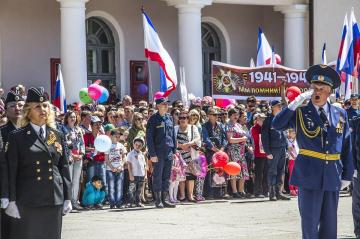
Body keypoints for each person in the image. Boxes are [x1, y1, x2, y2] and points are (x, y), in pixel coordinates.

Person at [272, 64, 353, 239]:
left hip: (332, 173)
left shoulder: (340, 113)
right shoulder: (300, 111)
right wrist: (293, 104)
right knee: (310, 223)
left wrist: (347, 173)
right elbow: (277, 125)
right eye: (314, 87)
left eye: (322, 88)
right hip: (309, 174)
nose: (317, 91)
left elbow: (346, 145)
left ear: (330, 91)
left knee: (330, 225)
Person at [6, 87, 72, 239]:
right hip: (28, 200)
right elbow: (11, 170)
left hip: (53, 198)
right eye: (37, 106)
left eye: (45, 106)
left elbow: (63, 167)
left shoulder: (57, 135)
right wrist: (11, 200)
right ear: (28, 111)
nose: (42, 109)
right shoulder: (17, 137)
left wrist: (68, 196)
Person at [0, 90, 25, 239]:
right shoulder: (2, 133)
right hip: (8, 190)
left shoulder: (32, 132)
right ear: (6, 111)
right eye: (12, 105)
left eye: (20, 105)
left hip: (27, 189)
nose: (17, 108)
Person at [146, 96, 176, 208]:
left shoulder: (169, 118)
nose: (166, 106)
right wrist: (152, 154)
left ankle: (165, 199)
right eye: (163, 104)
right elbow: (149, 138)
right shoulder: (153, 119)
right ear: (158, 106)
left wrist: (174, 150)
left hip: (168, 151)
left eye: (167, 104)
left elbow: (172, 135)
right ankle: (158, 200)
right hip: (158, 152)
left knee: (166, 176)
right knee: (157, 176)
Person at [261, 100, 290, 201]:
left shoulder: (281, 119)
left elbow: (284, 134)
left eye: (280, 105)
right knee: (272, 171)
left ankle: (279, 192)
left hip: (282, 148)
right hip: (273, 149)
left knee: (281, 171)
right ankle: (272, 193)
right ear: (273, 107)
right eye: (278, 106)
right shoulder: (268, 121)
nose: (280, 107)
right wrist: (267, 152)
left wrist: (286, 147)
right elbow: (264, 137)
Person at [175, 110, 202, 202]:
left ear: (188, 119)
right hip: (179, 156)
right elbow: (171, 140)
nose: (183, 119)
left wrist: (188, 144)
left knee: (191, 176)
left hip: (191, 155)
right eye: (181, 118)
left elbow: (198, 138)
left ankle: (190, 195)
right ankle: (182, 195)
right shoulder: (175, 128)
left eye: (185, 118)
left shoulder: (193, 127)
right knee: (181, 175)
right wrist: (180, 146)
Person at [62, 110, 85, 211]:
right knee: (69, 180)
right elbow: (66, 144)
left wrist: (81, 154)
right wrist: (72, 154)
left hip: (78, 157)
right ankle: (68, 201)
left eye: (74, 117)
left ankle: (75, 201)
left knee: (76, 180)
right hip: (69, 157)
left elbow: (82, 143)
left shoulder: (78, 130)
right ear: (67, 118)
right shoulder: (64, 129)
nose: (73, 119)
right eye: (70, 117)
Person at [202, 107, 227, 199]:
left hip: (220, 152)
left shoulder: (221, 125)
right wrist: (213, 148)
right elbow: (206, 138)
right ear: (208, 115)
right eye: (214, 114)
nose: (216, 116)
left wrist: (223, 148)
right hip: (210, 151)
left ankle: (219, 193)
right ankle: (209, 193)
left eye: (217, 114)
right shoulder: (205, 125)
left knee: (220, 171)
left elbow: (224, 137)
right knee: (210, 171)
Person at [225, 108, 249, 198]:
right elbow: (230, 140)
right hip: (233, 150)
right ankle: (235, 191)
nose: (236, 116)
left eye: (237, 115)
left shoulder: (239, 125)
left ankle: (241, 190)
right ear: (230, 116)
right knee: (234, 170)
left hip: (242, 151)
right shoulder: (229, 125)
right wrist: (242, 139)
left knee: (243, 171)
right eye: (233, 115)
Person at [105, 128, 127, 209]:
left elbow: (124, 157)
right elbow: (106, 159)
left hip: (120, 169)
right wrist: (112, 167)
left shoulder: (121, 146)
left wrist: (121, 165)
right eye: (115, 136)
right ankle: (112, 202)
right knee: (111, 186)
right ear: (111, 136)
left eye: (118, 137)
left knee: (119, 186)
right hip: (110, 169)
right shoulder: (108, 146)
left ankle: (118, 202)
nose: (117, 138)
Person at [250, 112, 268, 198]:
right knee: (259, 174)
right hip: (258, 154)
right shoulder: (254, 128)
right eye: (260, 119)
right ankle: (258, 191)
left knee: (266, 173)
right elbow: (257, 139)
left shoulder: (265, 128)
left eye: (264, 119)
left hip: (267, 154)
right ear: (257, 120)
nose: (262, 120)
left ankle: (265, 191)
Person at [127, 137, 147, 207]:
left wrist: (145, 175)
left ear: (142, 146)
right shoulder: (130, 154)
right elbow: (129, 165)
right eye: (136, 144)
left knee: (139, 190)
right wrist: (130, 174)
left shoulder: (142, 155)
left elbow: (144, 165)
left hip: (141, 175)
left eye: (139, 145)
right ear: (133, 144)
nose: (137, 146)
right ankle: (130, 202)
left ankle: (138, 202)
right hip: (134, 175)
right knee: (131, 189)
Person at [353, 116, 360, 238]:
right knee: (358, 203)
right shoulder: (356, 121)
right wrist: (353, 168)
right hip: (359, 168)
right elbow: (351, 146)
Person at [287, 128, 299, 197]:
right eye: (293, 132)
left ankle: (297, 188)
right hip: (292, 159)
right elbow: (289, 150)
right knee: (291, 175)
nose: (294, 134)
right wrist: (293, 156)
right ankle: (291, 189)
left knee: (297, 174)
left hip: (297, 159)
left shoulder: (297, 140)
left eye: (295, 132)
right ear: (289, 133)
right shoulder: (289, 141)